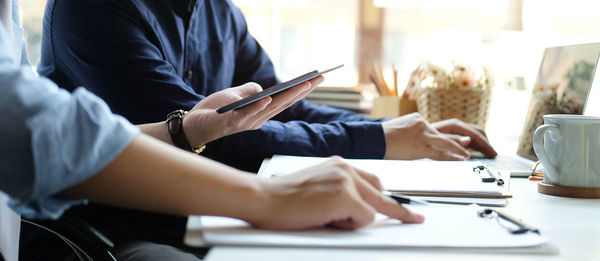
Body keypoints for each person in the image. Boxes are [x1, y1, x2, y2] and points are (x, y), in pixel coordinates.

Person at [0, 4, 424, 261]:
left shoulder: (220, 11)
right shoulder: (92, 9)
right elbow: (37, 131)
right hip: (114, 235)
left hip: (208, 218)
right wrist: (379, 142)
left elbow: (268, 110)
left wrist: (386, 128)